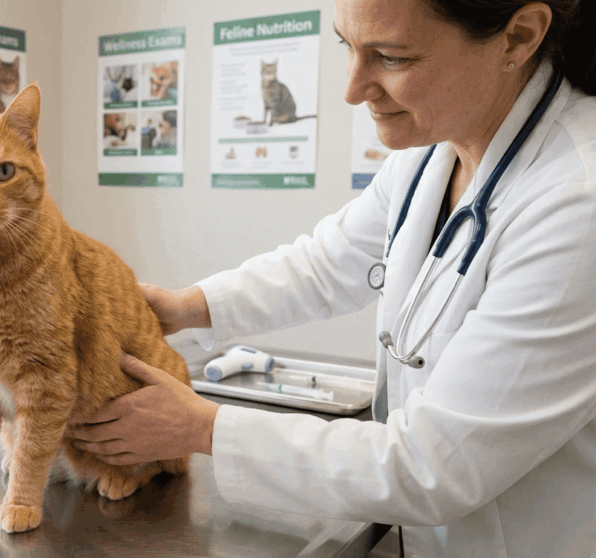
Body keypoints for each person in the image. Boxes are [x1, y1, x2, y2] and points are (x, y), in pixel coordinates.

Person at [70, 0, 596, 555]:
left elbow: (432, 467)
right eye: (347, 45)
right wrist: (184, 306)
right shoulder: (432, 153)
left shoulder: (576, 202)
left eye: (390, 57)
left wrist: (202, 428)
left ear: (518, 37)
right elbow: (326, 264)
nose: (352, 90)